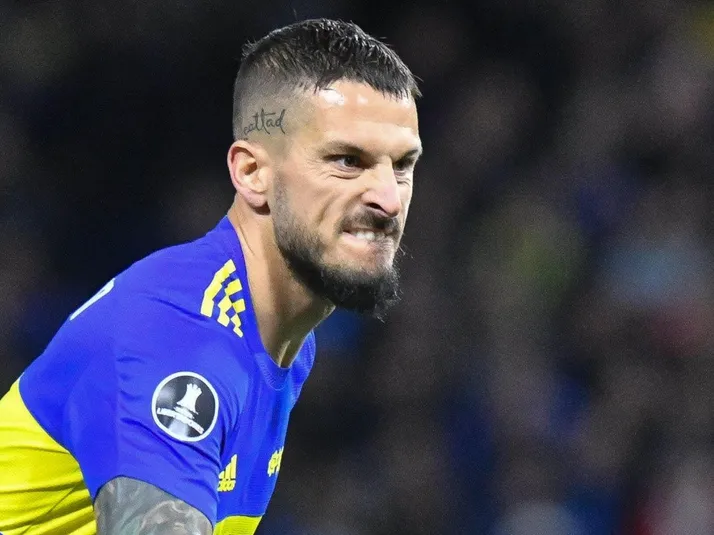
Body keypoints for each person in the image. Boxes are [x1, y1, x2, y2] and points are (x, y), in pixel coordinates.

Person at [0, 18, 422, 535]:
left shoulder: (284, 338)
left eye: (402, 165)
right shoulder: (181, 336)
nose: (388, 198)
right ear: (252, 173)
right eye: (347, 161)